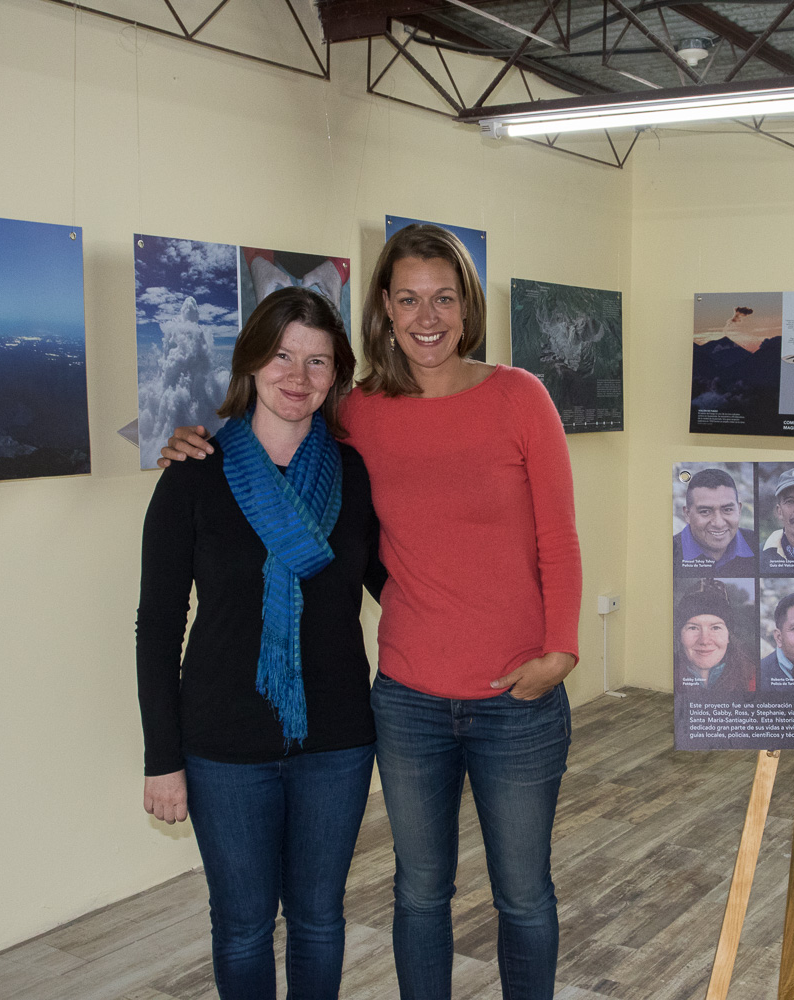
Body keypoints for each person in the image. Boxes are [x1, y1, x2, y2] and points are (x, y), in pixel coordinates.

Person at [161, 224, 582, 1000]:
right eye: (409, 298)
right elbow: (279, 444)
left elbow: (558, 536)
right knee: (420, 893)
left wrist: (559, 652)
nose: (428, 316)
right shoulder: (359, 417)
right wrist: (193, 439)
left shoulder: (520, 396)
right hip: (409, 698)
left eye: (444, 297)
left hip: (516, 696)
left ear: (467, 306)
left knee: (523, 894)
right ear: (385, 308)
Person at [136, 287, 384, 1000]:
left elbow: (396, 587)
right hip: (222, 743)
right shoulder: (193, 474)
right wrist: (163, 758)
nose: (298, 377)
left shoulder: (354, 474)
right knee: (243, 925)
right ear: (250, 361)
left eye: (317, 361)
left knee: (318, 920)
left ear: (336, 374)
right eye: (281, 356)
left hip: (336, 739)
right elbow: (157, 625)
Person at [674, 581, 757, 695]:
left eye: (715, 628)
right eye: (693, 628)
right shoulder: (663, 676)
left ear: (728, 636)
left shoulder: (754, 679)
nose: (704, 640)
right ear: (680, 636)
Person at [674, 467, 759, 576]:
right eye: (705, 511)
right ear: (687, 514)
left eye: (727, 510)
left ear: (739, 510)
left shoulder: (760, 547)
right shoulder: (669, 553)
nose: (719, 523)